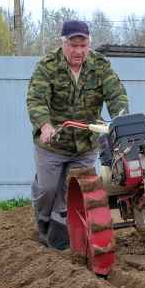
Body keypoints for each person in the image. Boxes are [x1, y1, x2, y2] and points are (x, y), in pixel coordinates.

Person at [26, 19, 129, 250]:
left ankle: (63, 236)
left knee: (72, 191)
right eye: (74, 46)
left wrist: (121, 118)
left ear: (89, 45)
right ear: (64, 43)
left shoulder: (100, 65)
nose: (79, 52)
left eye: (83, 46)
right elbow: (36, 99)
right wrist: (45, 126)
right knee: (48, 189)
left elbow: (116, 95)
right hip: (53, 143)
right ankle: (43, 224)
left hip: (85, 143)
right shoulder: (47, 66)